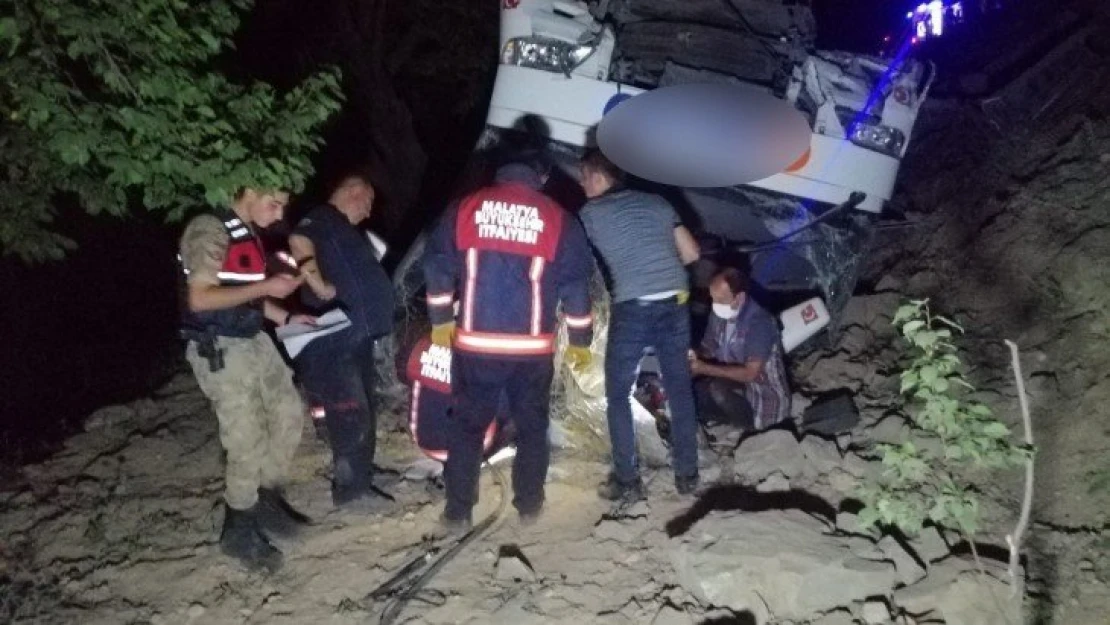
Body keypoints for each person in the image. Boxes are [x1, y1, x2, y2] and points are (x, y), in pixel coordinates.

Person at [423, 152, 594, 531]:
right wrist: (580, 339)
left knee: (467, 426)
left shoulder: (465, 208)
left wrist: (440, 319)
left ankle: (458, 511)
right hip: (531, 351)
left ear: (499, 173)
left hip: (475, 346)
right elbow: (575, 286)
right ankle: (530, 505)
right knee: (532, 426)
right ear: (541, 175)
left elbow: (436, 265)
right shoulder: (558, 218)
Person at [178, 187, 315, 571]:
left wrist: (284, 316)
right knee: (245, 439)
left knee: (288, 414)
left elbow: (244, 295)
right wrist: (268, 287)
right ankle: (238, 528)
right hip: (220, 346)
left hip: (253, 338)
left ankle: (265, 496)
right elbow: (200, 298)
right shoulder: (208, 228)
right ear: (249, 191)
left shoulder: (246, 230)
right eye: (274, 204)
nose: (279, 215)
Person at [576, 149, 702, 502]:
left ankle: (628, 480)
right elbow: (691, 254)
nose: (581, 183)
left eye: (584, 176)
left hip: (633, 306)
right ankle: (687, 475)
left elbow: (581, 265)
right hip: (675, 300)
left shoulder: (589, 214)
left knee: (617, 394)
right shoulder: (658, 203)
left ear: (600, 177)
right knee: (678, 388)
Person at [288, 173, 395, 509]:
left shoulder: (344, 230)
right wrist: (318, 286)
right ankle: (350, 490)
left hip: (357, 336)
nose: (369, 211)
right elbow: (299, 241)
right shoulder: (321, 218)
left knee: (365, 406)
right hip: (335, 338)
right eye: (368, 202)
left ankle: (362, 471)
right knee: (348, 411)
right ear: (352, 192)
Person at [689, 267, 791, 431]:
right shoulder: (720, 313)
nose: (715, 305)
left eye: (721, 300)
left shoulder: (759, 323)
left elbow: (750, 373)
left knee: (717, 390)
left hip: (765, 398)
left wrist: (703, 368)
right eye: (713, 298)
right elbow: (709, 347)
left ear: (739, 298)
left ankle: (747, 432)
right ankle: (730, 424)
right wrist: (695, 357)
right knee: (696, 393)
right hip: (740, 385)